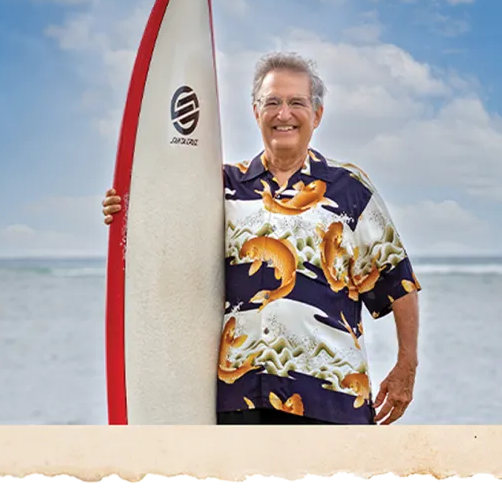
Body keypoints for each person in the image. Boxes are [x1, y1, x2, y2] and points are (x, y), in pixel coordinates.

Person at [101, 52, 422, 425]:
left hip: (331, 399)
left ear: (317, 115)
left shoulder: (349, 188)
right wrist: (123, 210)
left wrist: (406, 367)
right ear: (256, 112)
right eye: (272, 102)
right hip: (240, 398)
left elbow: (397, 281)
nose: (283, 114)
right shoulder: (219, 187)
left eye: (296, 103)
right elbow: (162, 230)